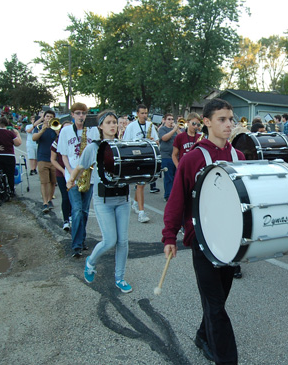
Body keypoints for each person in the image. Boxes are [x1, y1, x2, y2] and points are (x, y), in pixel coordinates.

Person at [162, 98, 245, 364]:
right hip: (202, 242)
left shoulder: (239, 157)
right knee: (216, 305)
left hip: (232, 242)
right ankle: (226, 358)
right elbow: (177, 200)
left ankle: (202, 335)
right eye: (222, 119)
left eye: (231, 119)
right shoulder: (192, 158)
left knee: (217, 300)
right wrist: (169, 236)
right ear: (206, 122)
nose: (229, 124)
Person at [67, 110, 133, 293]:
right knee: (110, 240)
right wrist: (71, 180)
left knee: (123, 241)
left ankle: (120, 278)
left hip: (123, 198)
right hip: (103, 199)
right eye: (109, 122)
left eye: (115, 122)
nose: (113, 125)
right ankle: (91, 262)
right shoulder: (94, 148)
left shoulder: (124, 145)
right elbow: (80, 166)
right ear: (101, 126)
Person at [57, 102, 100, 257]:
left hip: (89, 176)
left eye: (84, 113)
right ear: (73, 115)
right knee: (76, 210)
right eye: (78, 113)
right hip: (72, 177)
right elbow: (63, 154)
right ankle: (76, 246)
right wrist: (71, 173)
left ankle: (81, 241)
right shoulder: (66, 131)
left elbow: (97, 152)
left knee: (84, 211)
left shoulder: (93, 130)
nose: (81, 116)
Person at [122, 104, 159, 223]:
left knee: (142, 184)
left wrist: (154, 141)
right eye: (142, 113)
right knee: (141, 184)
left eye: (146, 113)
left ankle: (136, 203)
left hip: (147, 156)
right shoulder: (131, 126)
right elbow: (125, 143)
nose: (144, 115)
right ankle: (141, 213)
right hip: (136, 157)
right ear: (137, 114)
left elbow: (157, 141)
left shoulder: (150, 125)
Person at [32, 110, 58, 214]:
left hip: (54, 159)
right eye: (47, 116)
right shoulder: (38, 127)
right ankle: (45, 202)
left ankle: (50, 199)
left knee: (53, 181)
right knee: (44, 182)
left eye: (51, 117)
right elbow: (34, 138)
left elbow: (61, 139)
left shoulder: (56, 127)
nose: (49, 118)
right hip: (42, 158)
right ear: (44, 117)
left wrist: (56, 130)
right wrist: (42, 130)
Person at [51, 120, 74, 232]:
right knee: (65, 197)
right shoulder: (57, 141)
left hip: (75, 173)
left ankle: (73, 217)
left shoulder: (76, 140)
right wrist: (63, 171)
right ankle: (66, 220)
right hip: (62, 173)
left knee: (74, 198)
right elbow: (52, 159)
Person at [157, 113, 179, 201]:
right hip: (166, 156)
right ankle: (168, 195)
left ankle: (174, 195)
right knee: (168, 177)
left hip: (176, 157)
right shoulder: (162, 129)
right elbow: (164, 138)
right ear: (165, 120)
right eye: (169, 119)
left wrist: (177, 129)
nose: (171, 121)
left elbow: (182, 137)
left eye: (172, 119)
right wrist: (174, 130)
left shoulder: (176, 130)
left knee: (176, 177)